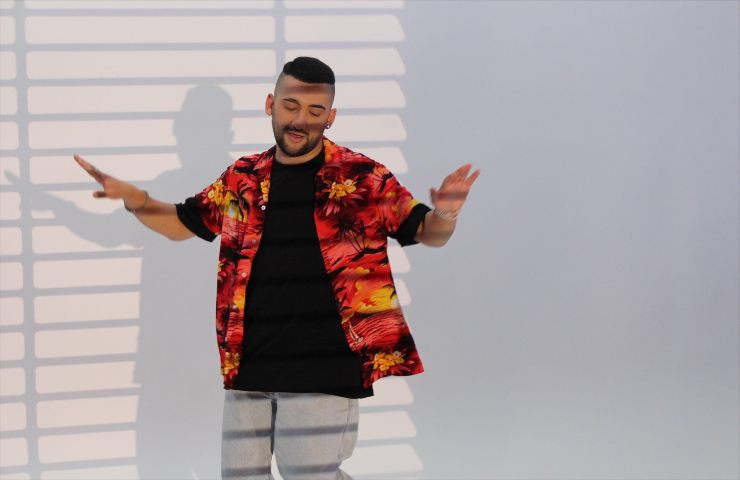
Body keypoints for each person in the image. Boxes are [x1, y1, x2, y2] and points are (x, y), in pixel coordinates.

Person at [73, 56, 480, 480]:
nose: (300, 120)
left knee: (309, 474)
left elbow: (427, 232)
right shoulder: (244, 178)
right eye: (291, 105)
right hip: (250, 365)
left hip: (325, 367)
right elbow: (182, 223)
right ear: (271, 104)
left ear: (330, 117)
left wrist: (446, 213)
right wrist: (135, 198)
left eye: (315, 111)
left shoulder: (362, 177)